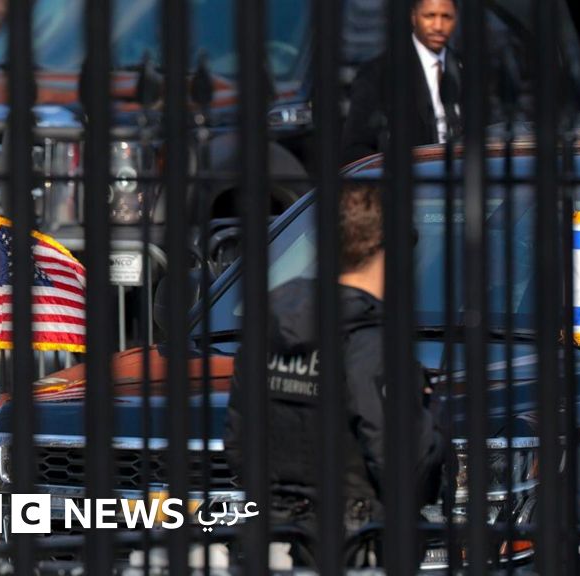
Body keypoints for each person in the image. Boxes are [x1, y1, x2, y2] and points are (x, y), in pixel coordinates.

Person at [224, 180, 444, 568]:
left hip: (278, 540)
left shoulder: (267, 328)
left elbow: (240, 447)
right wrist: (433, 424)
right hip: (358, 544)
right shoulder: (371, 344)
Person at [342, 0, 462, 165]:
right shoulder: (379, 73)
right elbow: (355, 148)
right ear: (413, 16)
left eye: (446, 16)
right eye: (430, 16)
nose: (438, 26)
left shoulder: (466, 68)